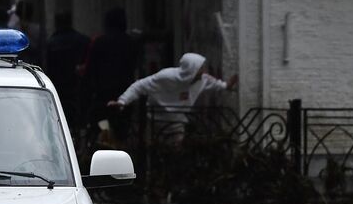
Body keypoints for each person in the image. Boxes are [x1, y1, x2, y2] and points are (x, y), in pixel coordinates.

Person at [110, 52, 238, 137]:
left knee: (175, 152)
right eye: (200, 68)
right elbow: (139, 86)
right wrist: (123, 101)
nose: (203, 71)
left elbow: (215, 84)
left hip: (177, 122)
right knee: (153, 150)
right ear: (191, 69)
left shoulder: (202, 80)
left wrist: (226, 86)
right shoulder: (166, 77)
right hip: (156, 120)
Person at [81, 7, 139, 133]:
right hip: (125, 92)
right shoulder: (131, 43)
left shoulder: (99, 42)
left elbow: (90, 69)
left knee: (102, 126)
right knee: (122, 128)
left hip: (103, 94)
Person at [43, 12, 90, 128]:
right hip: (77, 86)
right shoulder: (82, 40)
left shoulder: (51, 43)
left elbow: (46, 66)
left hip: (58, 86)